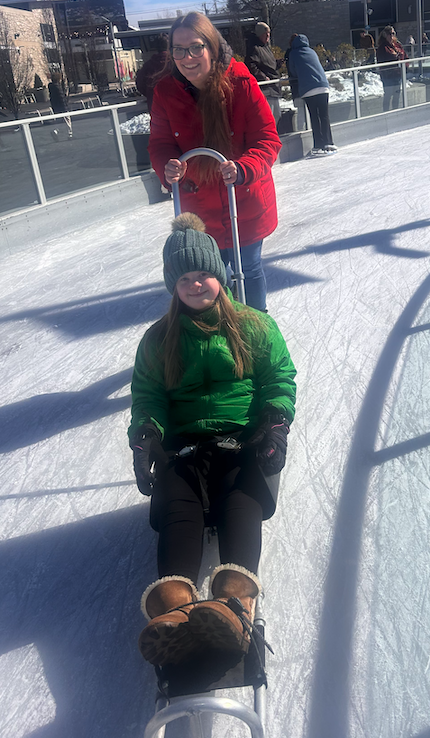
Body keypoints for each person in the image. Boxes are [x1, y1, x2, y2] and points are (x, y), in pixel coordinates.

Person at [130, 211, 297, 668]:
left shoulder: (253, 325)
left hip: (242, 438)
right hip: (184, 444)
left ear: (219, 274)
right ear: (172, 284)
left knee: (239, 498)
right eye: (185, 277)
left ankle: (233, 604)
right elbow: (148, 396)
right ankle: (176, 606)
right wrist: (146, 434)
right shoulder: (159, 339)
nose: (196, 284)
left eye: (204, 273)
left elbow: (279, 377)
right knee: (175, 503)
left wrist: (276, 421)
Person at [149, 12, 282, 313]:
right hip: (199, 209)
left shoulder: (241, 82)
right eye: (179, 50)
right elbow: (159, 143)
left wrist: (244, 168)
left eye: (196, 47)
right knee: (211, 275)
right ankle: (221, 330)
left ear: (212, 47)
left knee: (248, 267)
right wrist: (166, 166)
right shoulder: (165, 92)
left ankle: (258, 327)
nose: (188, 57)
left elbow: (268, 139)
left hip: (243, 200)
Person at [287, 33, 337, 157]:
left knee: (314, 117)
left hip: (308, 88)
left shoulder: (293, 54)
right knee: (324, 116)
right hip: (323, 86)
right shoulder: (312, 51)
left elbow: (293, 71)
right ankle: (328, 142)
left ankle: (319, 145)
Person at [245, 22, 283, 125]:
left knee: (277, 115)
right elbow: (250, 65)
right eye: (265, 33)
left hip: (273, 87)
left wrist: (277, 63)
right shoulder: (254, 48)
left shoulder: (266, 47)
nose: (268, 36)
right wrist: (262, 77)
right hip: (266, 89)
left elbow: (267, 63)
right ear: (259, 34)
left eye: (269, 33)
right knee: (269, 118)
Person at [376, 26, 408, 112]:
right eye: (389, 34)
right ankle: (386, 114)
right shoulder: (382, 48)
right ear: (385, 35)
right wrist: (394, 60)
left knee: (397, 95)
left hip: (398, 75)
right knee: (388, 96)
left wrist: (406, 67)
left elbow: (405, 56)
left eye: (393, 33)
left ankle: (395, 112)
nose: (391, 35)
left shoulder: (398, 45)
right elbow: (381, 63)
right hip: (388, 76)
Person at [136, 35, 169, 112]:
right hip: (177, 106)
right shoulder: (176, 64)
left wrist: (150, 94)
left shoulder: (148, 66)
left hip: (155, 106)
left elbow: (140, 84)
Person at [47, 72, 72, 141]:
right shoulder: (58, 87)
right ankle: (69, 134)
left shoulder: (51, 88)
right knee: (67, 120)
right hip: (63, 108)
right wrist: (66, 106)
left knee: (60, 121)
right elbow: (62, 98)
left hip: (56, 108)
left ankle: (56, 131)